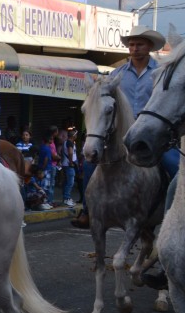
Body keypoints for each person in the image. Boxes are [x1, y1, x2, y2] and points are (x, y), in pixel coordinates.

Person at [73, 26, 179, 229]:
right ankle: (87, 211)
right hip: (121, 135)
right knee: (88, 164)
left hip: (152, 134)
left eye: (139, 44)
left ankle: (173, 214)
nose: (135, 48)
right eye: (131, 44)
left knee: (174, 166)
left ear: (149, 47)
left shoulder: (159, 73)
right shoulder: (116, 75)